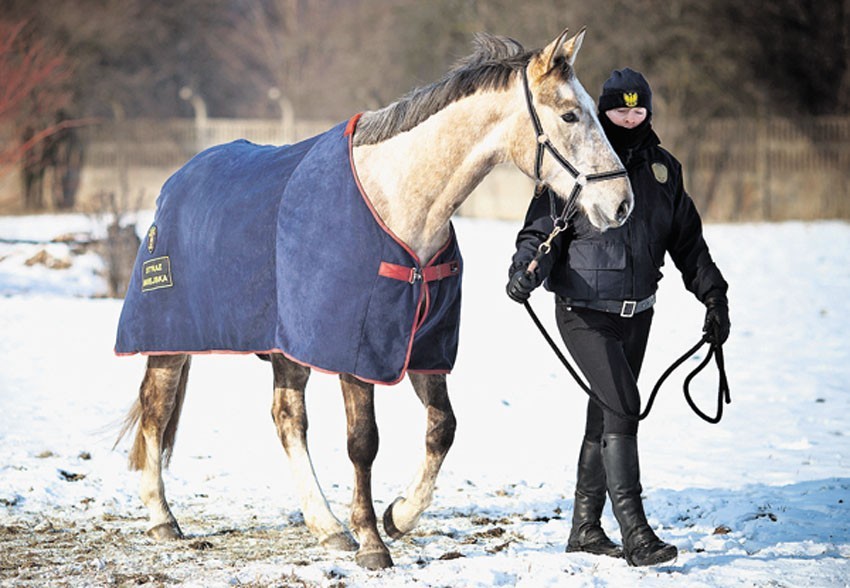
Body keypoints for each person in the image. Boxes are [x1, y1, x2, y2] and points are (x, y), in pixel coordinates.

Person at [506, 68, 730, 567]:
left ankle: (585, 529)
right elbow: (540, 229)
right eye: (618, 108)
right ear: (601, 110)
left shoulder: (664, 172)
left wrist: (714, 299)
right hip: (583, 311)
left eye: (638, 108)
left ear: (648, 111)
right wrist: (526, 269)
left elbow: (689, 246)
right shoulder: (578, 162)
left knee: (605, 417)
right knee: (624, 408)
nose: (629, 117)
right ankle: (636, 533)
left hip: (639, 314)